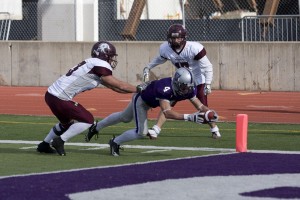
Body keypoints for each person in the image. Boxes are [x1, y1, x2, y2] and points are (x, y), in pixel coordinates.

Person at [36, 41, 144, 156]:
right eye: (111, 56)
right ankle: (60, 140)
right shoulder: (100, 65)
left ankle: (44, 145)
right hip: (60, 97)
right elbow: (120, 85)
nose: (112, 59)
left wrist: (136, 91)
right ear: (104, 54)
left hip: (51, 95)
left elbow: (115, 88)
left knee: (66, 124)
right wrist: (140, 89)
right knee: (88, 120)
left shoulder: (92, 64)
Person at [86, 68, 220, 156]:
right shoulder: (165, 89)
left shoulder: (188, 89)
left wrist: (211, 113)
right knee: (141, 132)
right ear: (178, 83)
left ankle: (96, 127)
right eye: (184, 86)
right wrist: (190, 118)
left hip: (149, 99)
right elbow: (167, 112)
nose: (186, 90)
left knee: (124, 117)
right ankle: (115, 142)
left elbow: (200, 105)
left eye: (188, 87)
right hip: (142, 101)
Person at [142, 23, 221, 139]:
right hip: (181, 81)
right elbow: (160, 59)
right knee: (168, 103)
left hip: (197, 80)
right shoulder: (165, 48)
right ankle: (156, 129)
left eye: (178, 37)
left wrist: (208, 83)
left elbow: (207, 67)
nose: (175, 40)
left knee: (202, 107)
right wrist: (148, 67)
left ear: (184, 37)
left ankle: (214, 129)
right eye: (173, 38)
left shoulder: (194, 48)